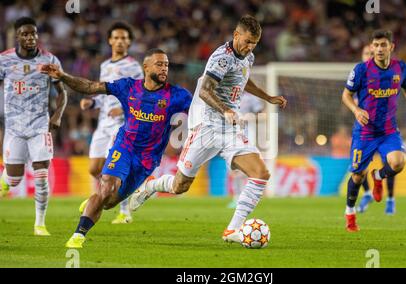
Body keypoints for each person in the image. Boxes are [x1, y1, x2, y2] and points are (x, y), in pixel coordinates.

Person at [128, 15, 287, 243]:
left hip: (229, 128)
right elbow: (204, 90)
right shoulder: (221, 58)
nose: (250, 46)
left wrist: (268, 97)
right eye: (247, 41)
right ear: (236, 35)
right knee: (180, 185)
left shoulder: (248, 57)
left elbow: (243, 80)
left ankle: (232, 230)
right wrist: (226, 110)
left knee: (261, 174)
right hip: (206, 125)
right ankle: (152, 185)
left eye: (255, 43)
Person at [41, 48, 192, 248]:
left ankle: (95, 202)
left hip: (147, 160)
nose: (164, 68)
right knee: (107, 188)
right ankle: (79, 235)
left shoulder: (178, 95)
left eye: (166, 64)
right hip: (124, 147)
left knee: (110, 202)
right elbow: (90, 86)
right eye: (159, 64)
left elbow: (200, 110)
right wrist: (63, 76)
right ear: (145, 67)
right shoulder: (128, 87)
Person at [341, 30, 406, 232]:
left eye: (383, 45)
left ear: (391, 47)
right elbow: (346, 96)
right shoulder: (361, 70)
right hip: (365, 133)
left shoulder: (400, 68)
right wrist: (356, 110)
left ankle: (378, 177)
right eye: (375, 45)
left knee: (398, 162)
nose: (379, 49)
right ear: (372, 47)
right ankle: (350, 212)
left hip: (388, 131)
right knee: (357, 175)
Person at [0, 17, 67, 236]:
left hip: (40, 126)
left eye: (33, 34)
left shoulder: (49, 60)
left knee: (40, 175)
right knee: (14, 178)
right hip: (13, 128)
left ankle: (40, 224)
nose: (30, 37)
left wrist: (57, 115)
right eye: (25, 34)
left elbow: (63, 93)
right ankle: (5, 182)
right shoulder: (5, 60)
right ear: (17, 36)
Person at [79, 22, 143, 224]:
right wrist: (92, 101)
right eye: (116, 37)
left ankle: (124, 212)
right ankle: (104, 197)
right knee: (93, 168)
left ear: (130, 42)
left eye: (124, 38)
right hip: (103, 122)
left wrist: (124, 109)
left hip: (121, 124)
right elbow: (103, 93)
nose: (120, 41)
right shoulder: (105, 66)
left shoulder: (133, 66)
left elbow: (141, 96)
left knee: (111, 167)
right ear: (109, 41)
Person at [357, 45, 397, 214]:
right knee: (359, 166)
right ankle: (367, 193)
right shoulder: (358, 74)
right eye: (366, 53)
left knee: (390, 163)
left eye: (371, 54)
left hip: (384, 128)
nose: (369, 56)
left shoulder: (384, 73)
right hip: (365, 128)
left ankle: (390, 199)